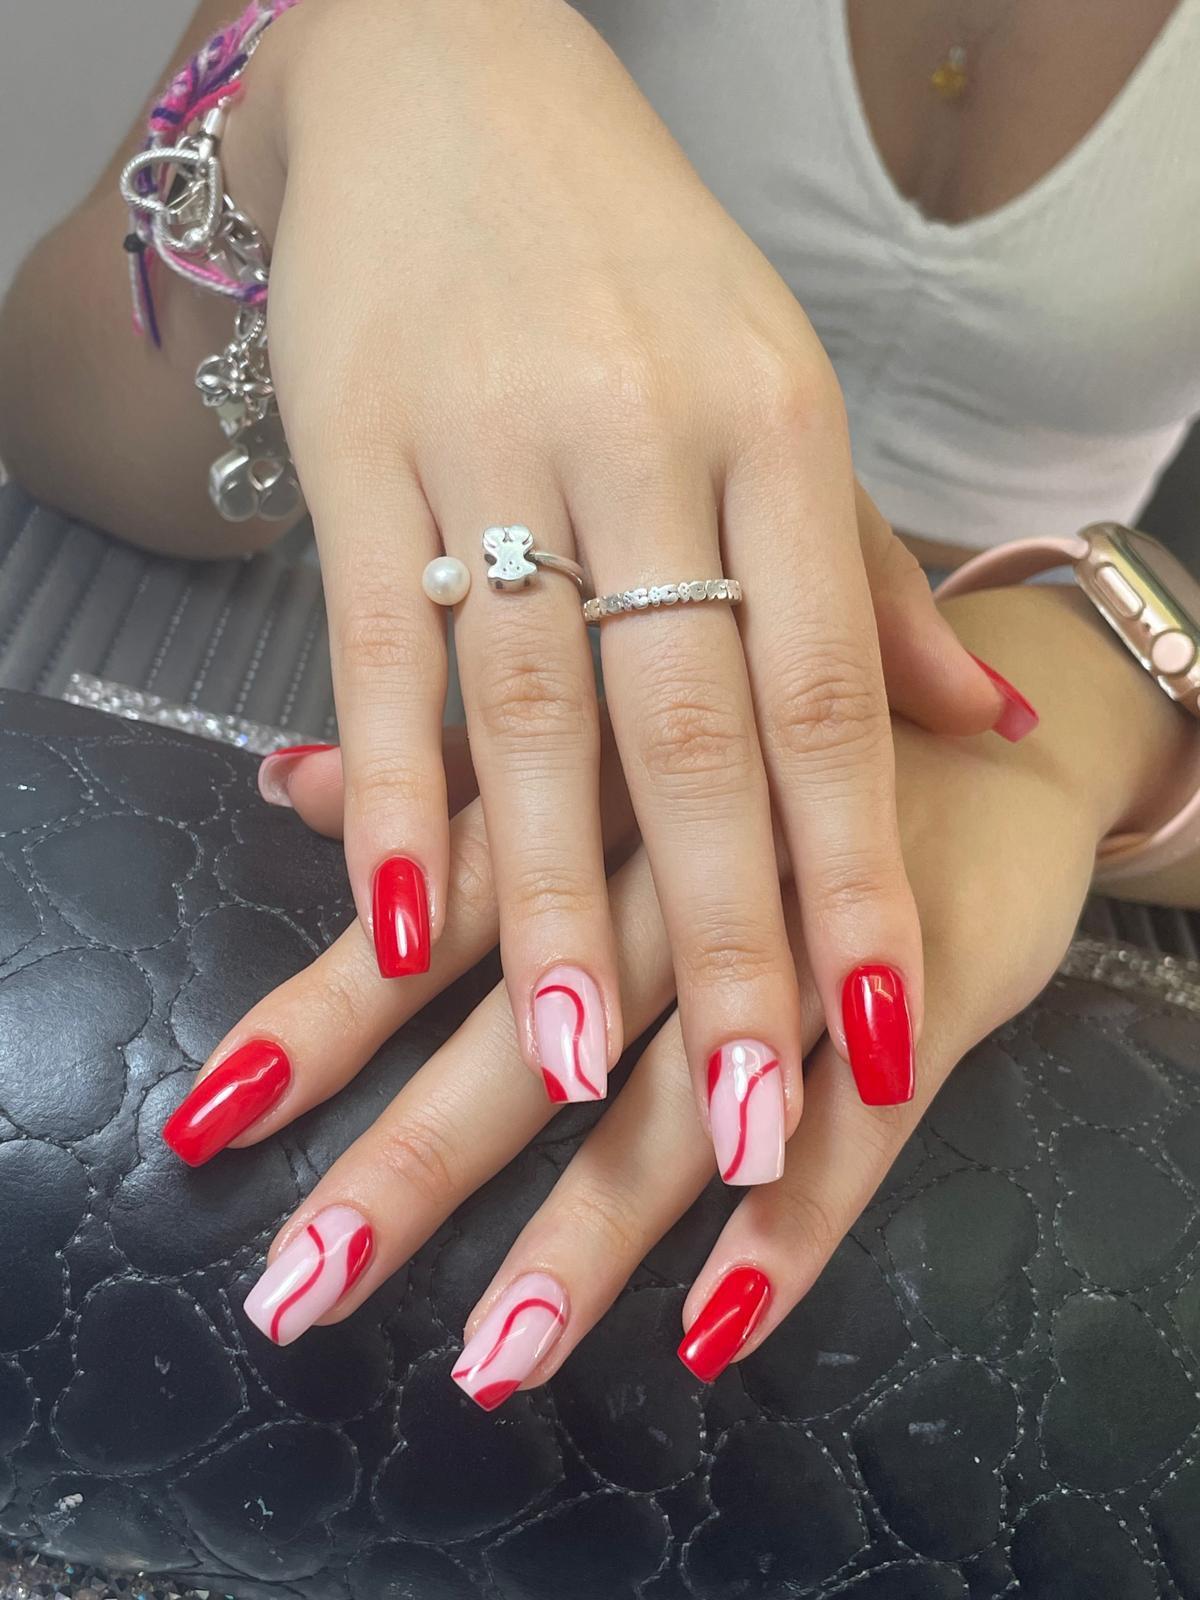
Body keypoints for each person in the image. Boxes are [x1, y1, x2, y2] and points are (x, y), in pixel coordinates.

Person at [0, 0, 1197, 1395]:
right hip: (407, 658)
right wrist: (343, 60)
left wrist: (1093, 679)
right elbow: (66, 427)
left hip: (981, 804)